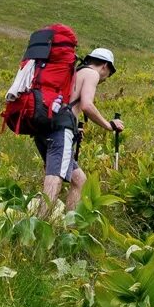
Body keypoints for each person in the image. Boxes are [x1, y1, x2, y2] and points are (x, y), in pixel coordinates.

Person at [36, 48, 123, 214]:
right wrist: (109, 125)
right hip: (60, 129)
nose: (106, 78)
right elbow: (86, 105)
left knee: (79, 180)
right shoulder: (92, 74)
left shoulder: (75, 72)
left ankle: (69, 225)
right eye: (109, 74)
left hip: (44, 126)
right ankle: (40, 225)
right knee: (55, 177)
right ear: (105, 66)